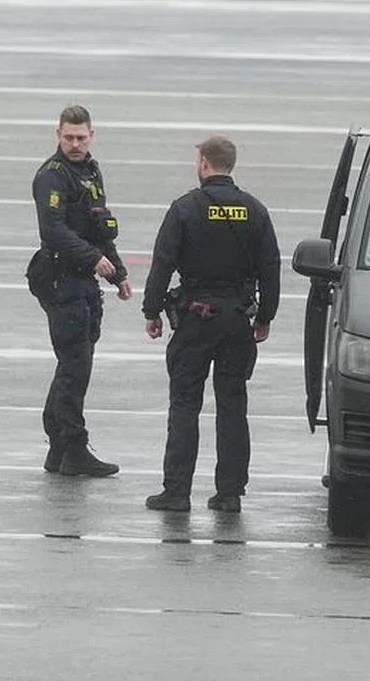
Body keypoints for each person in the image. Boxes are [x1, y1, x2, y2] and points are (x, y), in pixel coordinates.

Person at [141, 135, 281, 513]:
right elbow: (271, 268)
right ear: (230, 165)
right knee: (233, 404)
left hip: (196, 318)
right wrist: (266, 315)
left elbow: (162, 263)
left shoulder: (185, 209)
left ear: (204, 163)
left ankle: (176, 492)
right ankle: (230, 492)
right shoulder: (255, 210)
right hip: (238, 319)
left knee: (185, 404)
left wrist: (151, 311)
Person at [30, 105, 131, 476]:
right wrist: (93, 259)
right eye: (69, 137)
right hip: (60, 277)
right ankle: (73, 447)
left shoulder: (89, 170)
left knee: (74, 363)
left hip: (83, 279)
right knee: (76, 363)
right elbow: (53, 229)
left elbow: (99, 225)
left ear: (92, 135)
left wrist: (116, 271)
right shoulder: (51, 177)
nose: (75, 144)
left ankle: (59, 443)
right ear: (57, 135)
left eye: (81, 137)